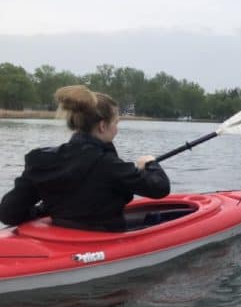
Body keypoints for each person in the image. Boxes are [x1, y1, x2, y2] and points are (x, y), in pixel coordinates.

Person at [0, 85, 170, 230]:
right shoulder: (109, 165)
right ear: (103, 126)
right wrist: (150, 164)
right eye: (116, 123)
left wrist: (43, 211)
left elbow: (8, 214)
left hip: (59, 237)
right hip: (104, 240)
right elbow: (160, 188)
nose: (117, 129)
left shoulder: (41, 160)